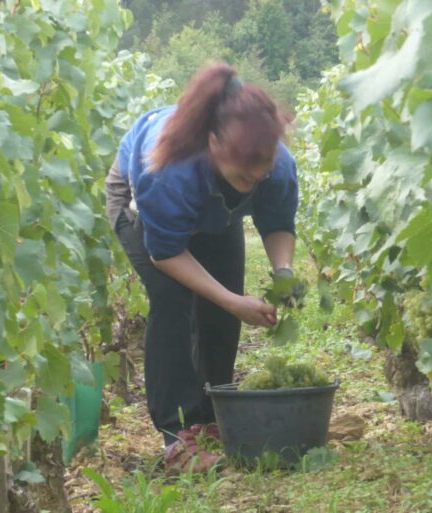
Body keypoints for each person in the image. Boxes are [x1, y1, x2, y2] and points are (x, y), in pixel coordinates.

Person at [105, 62, 301, 469]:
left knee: (224, 299)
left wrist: (283, 272)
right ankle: (177, 437)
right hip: (141, 205)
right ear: (213, 144)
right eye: (244, 177)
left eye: (261, 174)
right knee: (173, 300)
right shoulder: (167, 171)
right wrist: (232, 301)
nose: (255, 180)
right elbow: (166, 254)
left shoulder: (275, 163)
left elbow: (278, 223)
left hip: (213, 213)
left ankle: (213, 417)